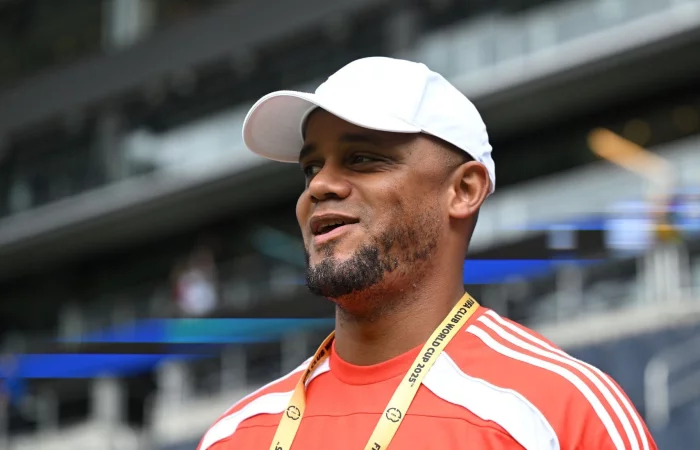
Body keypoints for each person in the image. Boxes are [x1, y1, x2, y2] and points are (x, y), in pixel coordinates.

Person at [198, 57, 658, 450]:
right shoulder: (233, 435)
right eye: (311, 167)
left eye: (362, 158)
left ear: (463, 190)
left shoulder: (560, 411)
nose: (319, 185)